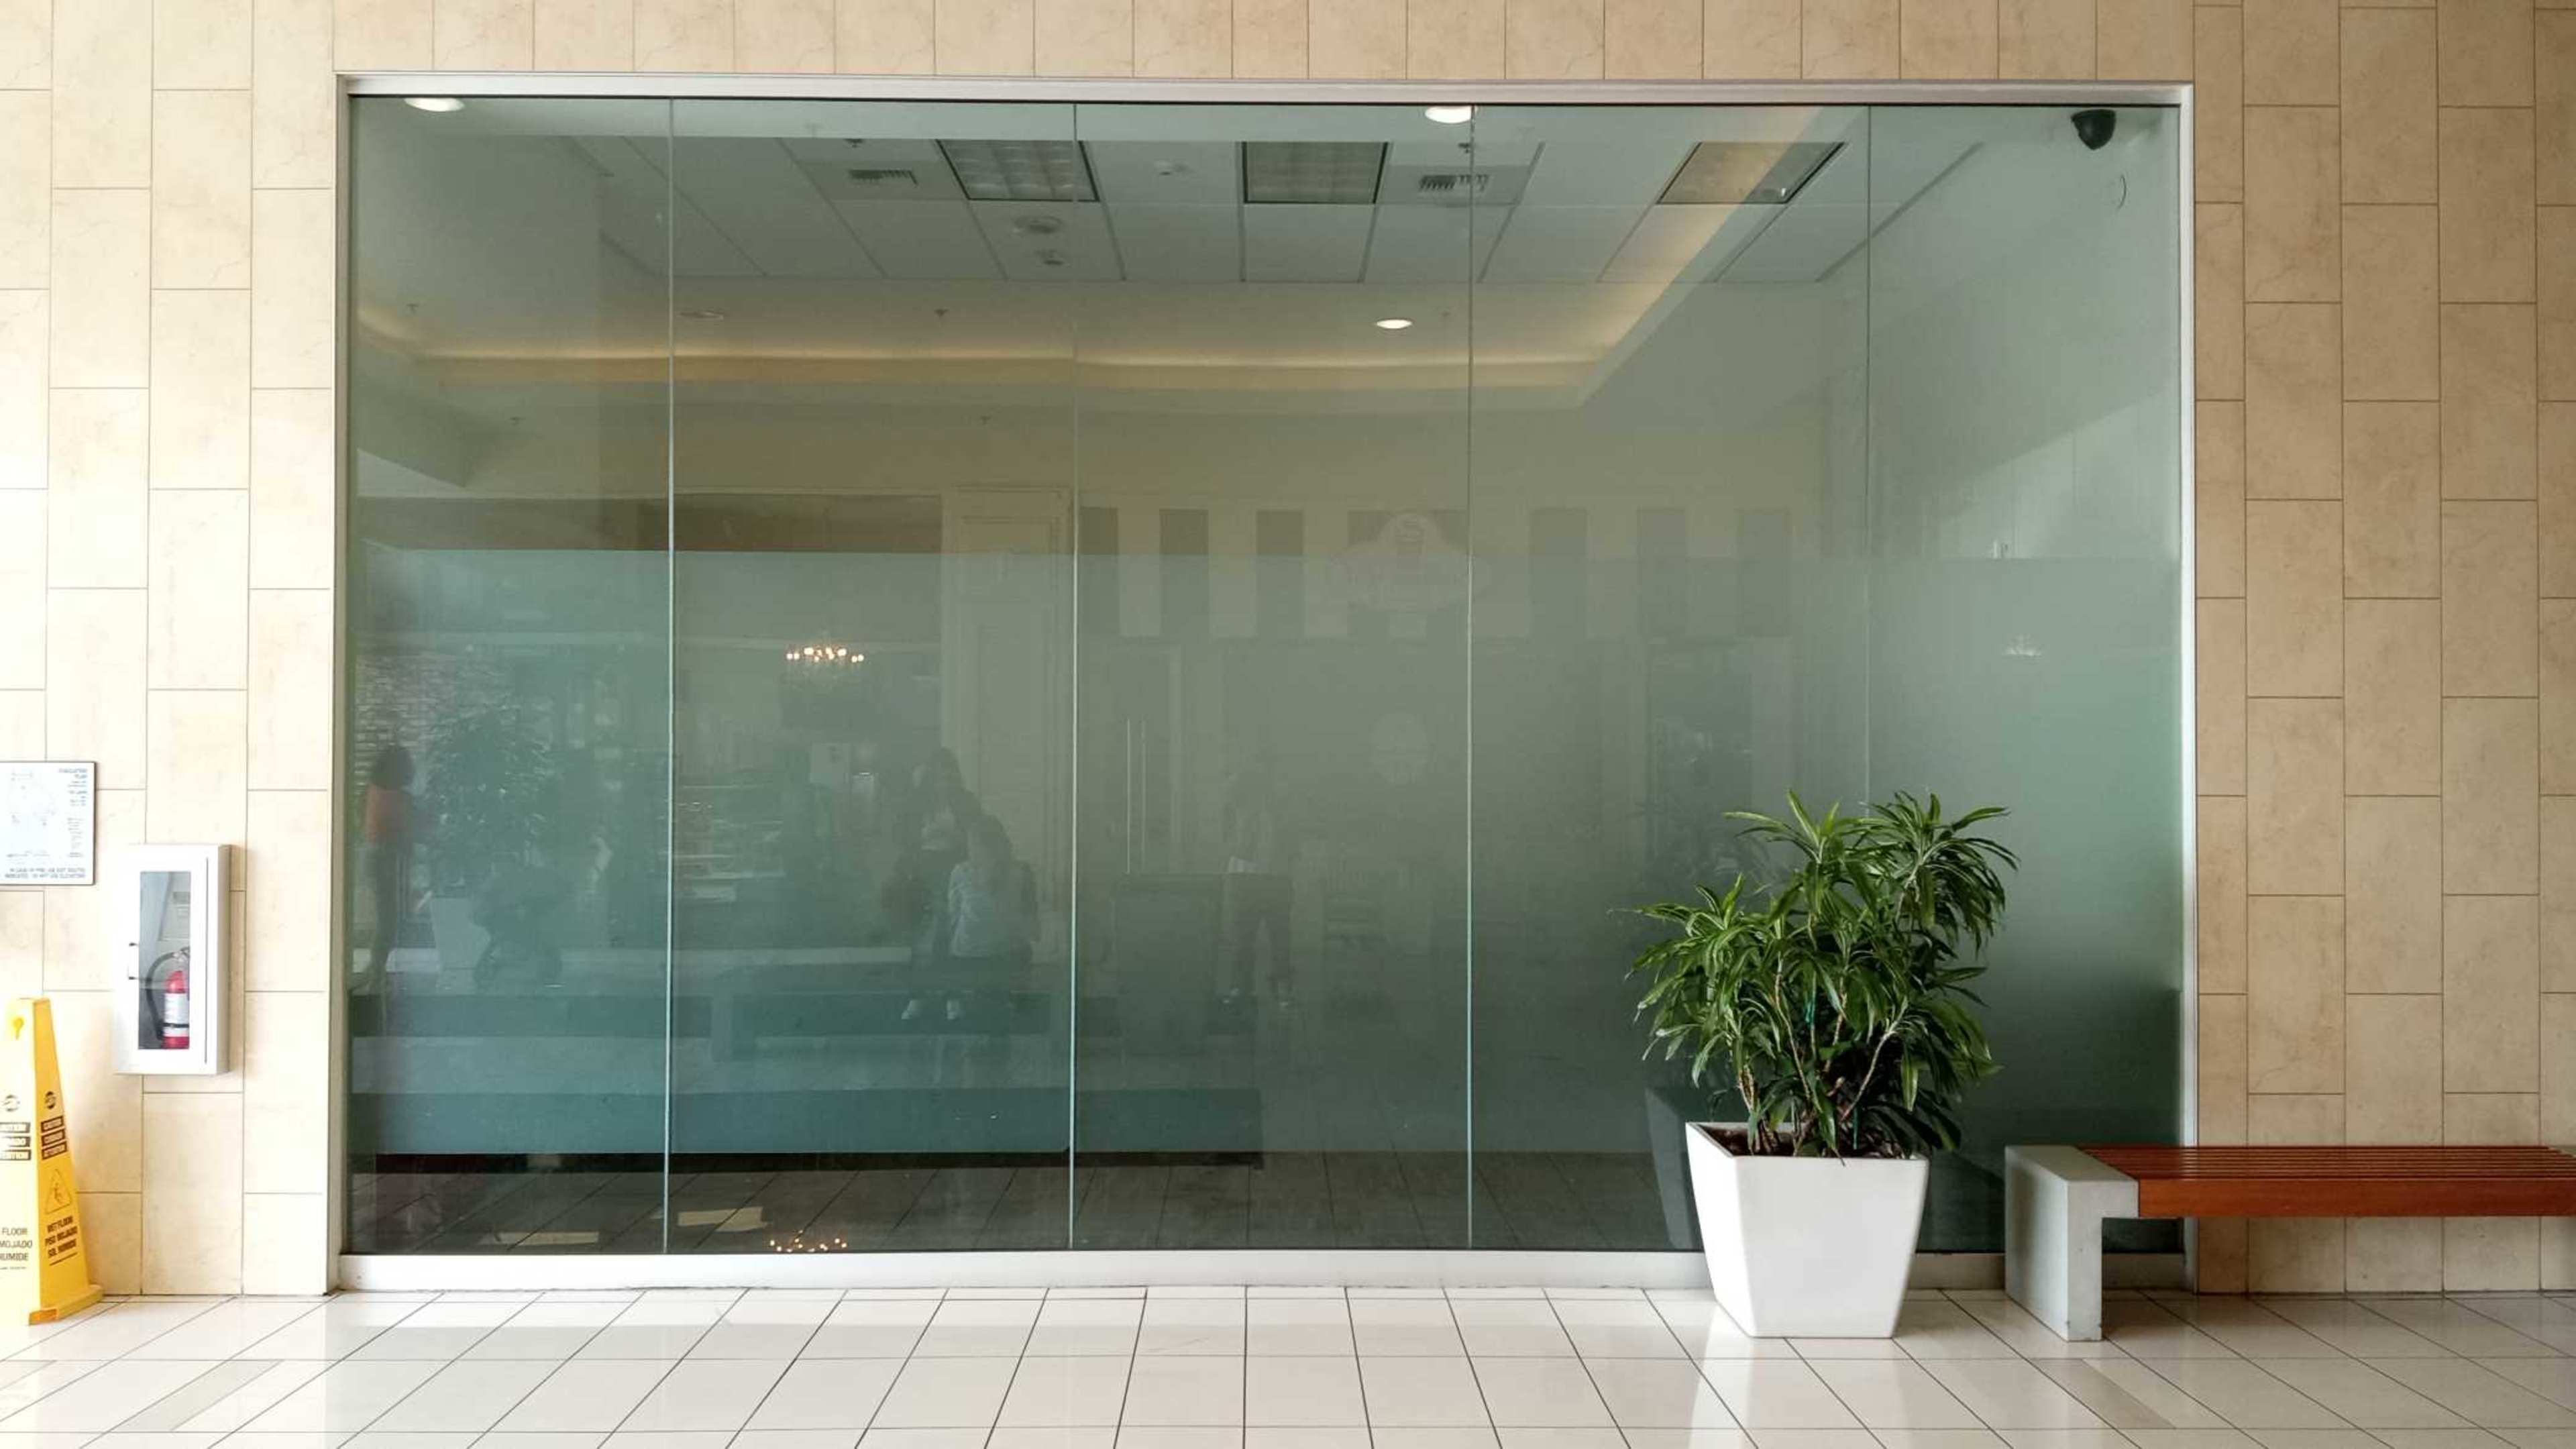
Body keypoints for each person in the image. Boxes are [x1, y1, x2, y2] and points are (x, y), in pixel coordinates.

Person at [908, 812, 1034, 1023]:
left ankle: (943, 1000)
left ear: (973, 845)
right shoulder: (1022, 871)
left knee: (937, 934)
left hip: (966, 957)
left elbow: (954, 915)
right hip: (1008, 955)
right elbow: (1031, 924)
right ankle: (1012, 999)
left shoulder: (961, 871)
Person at [359, 744, 415, 985]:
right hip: (387, 859)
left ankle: (374, 970)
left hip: (373, 855)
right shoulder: (399, 798)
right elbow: (405, 831)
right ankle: (375, 973)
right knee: (388, 922)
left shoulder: (370, 792)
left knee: (385, 919)